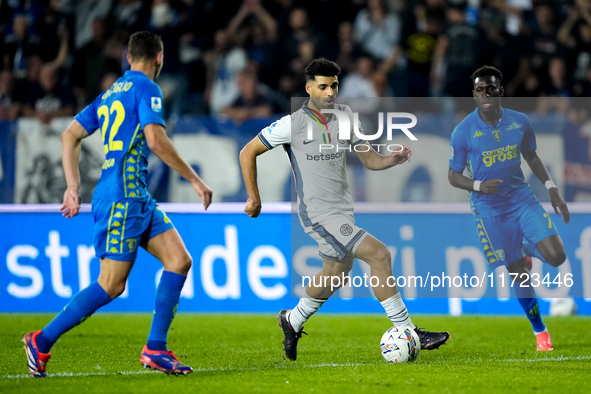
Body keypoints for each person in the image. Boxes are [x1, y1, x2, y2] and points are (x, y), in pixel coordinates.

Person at [23, 31, 212, 377]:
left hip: (135, 196)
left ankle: (155, 349)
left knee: (179, 260)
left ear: (128, 58)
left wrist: (72, 186)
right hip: (122, 199)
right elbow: (155, 140)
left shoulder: (110, 93)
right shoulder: (147, 88)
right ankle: (41, 340)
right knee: (111, 284)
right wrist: (195, 179)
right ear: (159, 58)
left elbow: (70, 135)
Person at [239, 58, 450, 361]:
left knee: (336, 272)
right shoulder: (292, 124)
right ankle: (409, 330)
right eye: (322, 86)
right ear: (308, 87)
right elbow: (248, 151)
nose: (329, 93)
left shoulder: (346, 117)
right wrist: (254, 198)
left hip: (342, 210)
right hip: (318, 212)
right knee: (380, 254)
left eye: (334, 86)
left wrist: (392, 159)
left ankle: (293, 319)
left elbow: (371, 161)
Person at [448, 65, 569, 352]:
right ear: (474, 95)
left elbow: (532, 157)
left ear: (500, 90)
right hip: (489, 208)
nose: (485, 94)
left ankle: (527, 249)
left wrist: (552, 188)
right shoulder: (463, 132)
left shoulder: (520, 122)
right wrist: (477, 186)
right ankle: (541, 332)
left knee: (557, 256)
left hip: (521, 198)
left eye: (490, 88)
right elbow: (453, 176)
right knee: (517, 272)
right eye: (479, 89)